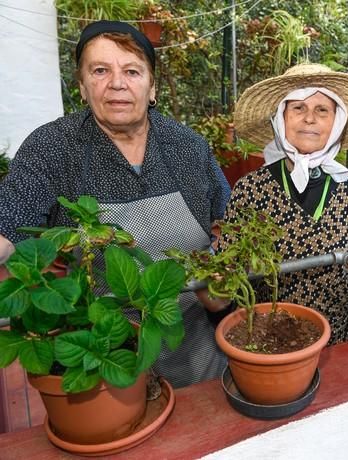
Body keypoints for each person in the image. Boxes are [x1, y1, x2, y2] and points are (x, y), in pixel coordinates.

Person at [0, 21, 231, 388]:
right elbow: (8, 227)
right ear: (82, 86)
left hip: (196, 345)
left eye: (132, 71)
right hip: (106, 353)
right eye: (100, 70)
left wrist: (221, 279)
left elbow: (228, 222)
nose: (117, 83)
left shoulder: (187, 146)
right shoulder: (53, 147)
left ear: (152, 87)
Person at [202, 63, 348, 344]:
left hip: (341, 343)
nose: (309, 118)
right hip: (270, 346)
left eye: (322, 110)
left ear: (336, 122)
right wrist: (214, 292)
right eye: (298, 108)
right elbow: (229, 286)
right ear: (280, 119)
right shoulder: (251, 189)